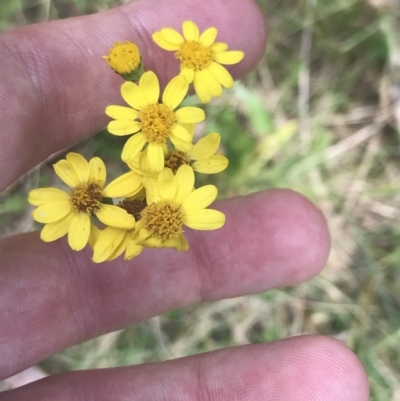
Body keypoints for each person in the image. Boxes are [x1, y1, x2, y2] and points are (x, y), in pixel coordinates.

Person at [0, 0, 369, 399]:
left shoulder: (159, 169)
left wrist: (157, 186)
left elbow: (157, 179)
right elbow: (139, 179)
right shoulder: (131, 182)